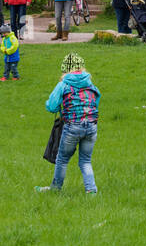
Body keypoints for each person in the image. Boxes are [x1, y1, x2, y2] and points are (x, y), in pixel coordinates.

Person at [36, 52, 101, 194]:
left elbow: (51, 106)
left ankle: (55, 188)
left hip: (72, 126)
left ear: (65, 69)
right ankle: (92, 191)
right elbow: (96, 101)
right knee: (85, 160)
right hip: (91, 125)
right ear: (82, 68)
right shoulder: (91, 84)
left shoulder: (63, 84)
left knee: (62, 159)